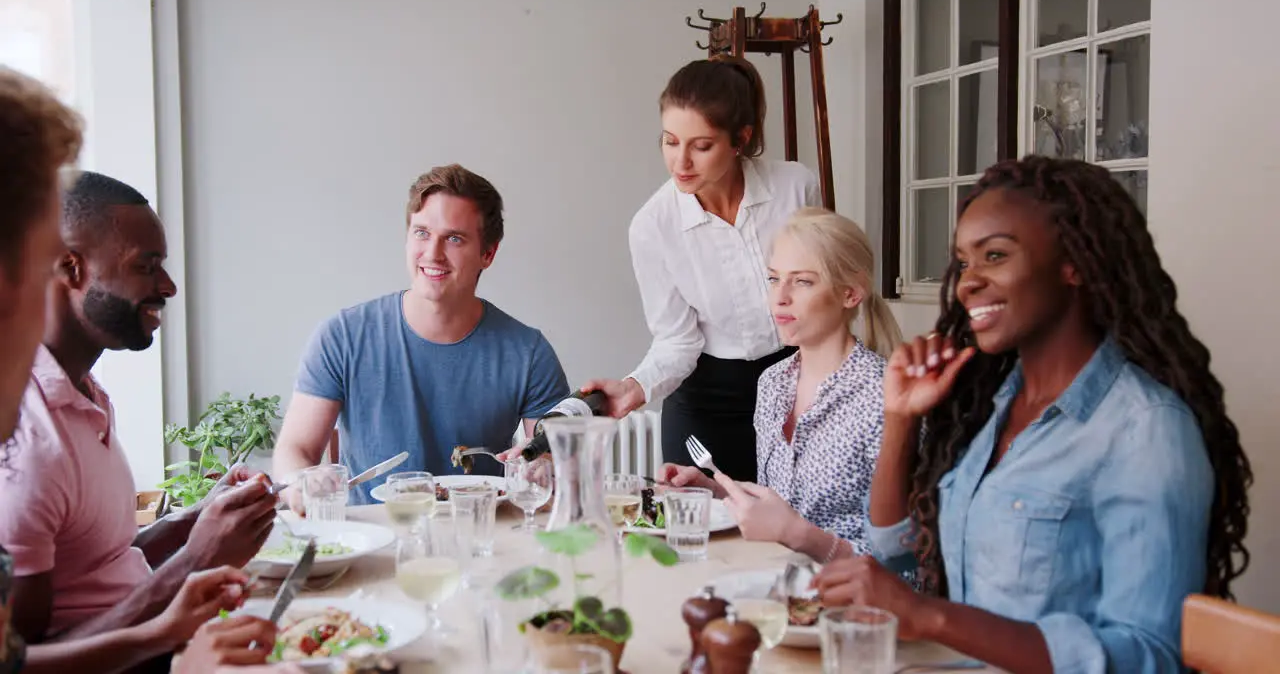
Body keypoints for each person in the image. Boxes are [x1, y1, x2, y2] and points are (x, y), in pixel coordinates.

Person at [812, 157, 1253, 672]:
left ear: (1075, 264)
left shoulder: (1146, 430)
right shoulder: (993, 405)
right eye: (964, 262)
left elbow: (1149, 654)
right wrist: (900, 417)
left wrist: (930, 617)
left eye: (994, 255)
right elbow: (896, 553)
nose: (967, 283)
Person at [0, 66, 291, 673]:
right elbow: (29, 660)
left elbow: (101, 563)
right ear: (69, 269)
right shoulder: (29, 444)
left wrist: (192, 525)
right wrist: (191, 568)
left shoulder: (86, 394)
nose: (168, 285)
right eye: (146, 264)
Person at [274, 163, 570, 509]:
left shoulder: (528, 352)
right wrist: (301, 483)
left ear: (487, 253)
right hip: (375, 535)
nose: (432, 253)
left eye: (454, 238)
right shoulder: (342, 337)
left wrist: (544, 470)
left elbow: (553, 461)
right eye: (422, 233)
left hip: (485, 536)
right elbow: (296, 449)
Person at [583, 55, 821, 483]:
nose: (681, 162)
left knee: (794, 536)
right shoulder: (653, 227)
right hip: (707, 405)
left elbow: (822, 293)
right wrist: (634, 388)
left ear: (740, 139)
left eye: (701, 145)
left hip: (797, 387)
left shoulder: (795, 188)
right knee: (705, 539)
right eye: (670, 141)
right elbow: (677, 340)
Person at [657, 208, 901, 562]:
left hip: (851, 609)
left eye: (802, 281)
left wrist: (799, 536)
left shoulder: (886, 399)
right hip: (778, 588)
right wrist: (714, 490)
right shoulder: (772, 383)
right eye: (774, 279)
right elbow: (778, 507)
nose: (780, 297)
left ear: (850, 293)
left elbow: (905, 567)